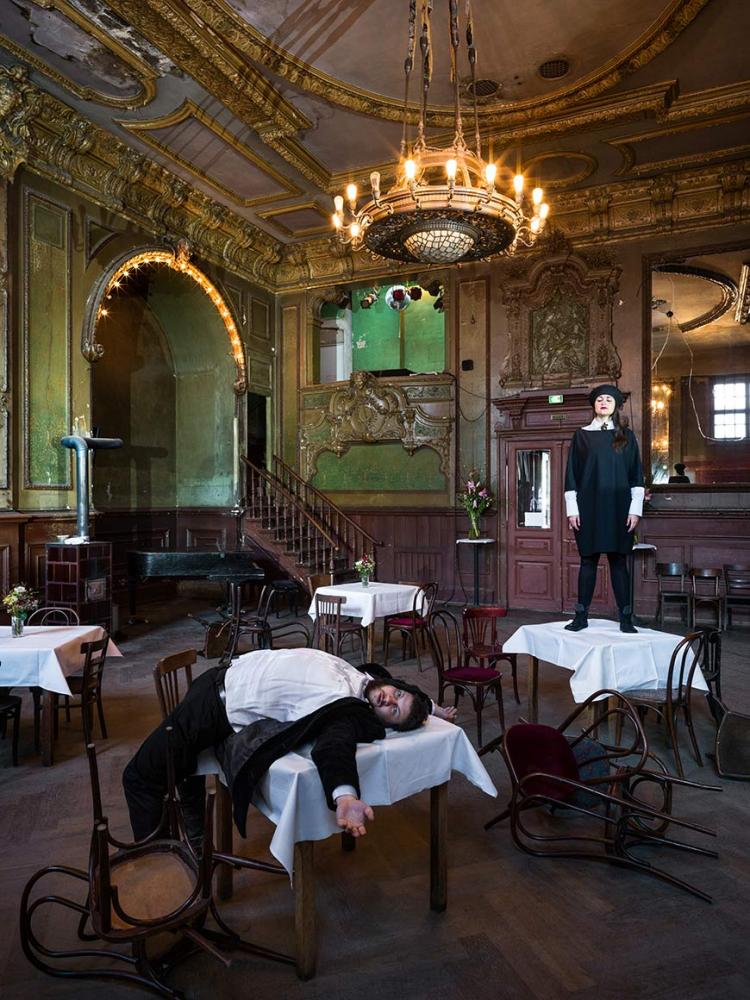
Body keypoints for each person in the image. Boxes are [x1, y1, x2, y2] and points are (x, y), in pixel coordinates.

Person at [123, 648, 457, 843]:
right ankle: (193, 851)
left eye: (393, 711)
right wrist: (430, 705)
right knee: (183, 767)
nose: (389, 699)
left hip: (214, 706)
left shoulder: (348, 710)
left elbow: (333, 747)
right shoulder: (365, 678)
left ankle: (162, 872)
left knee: (139, 778)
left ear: (383, 722)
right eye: (397, 694)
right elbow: (395, 685)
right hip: (215, 678)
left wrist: (346, 796)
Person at [564, 384, 644, 633]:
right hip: (588, 508)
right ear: (594, 405)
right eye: (599, 399)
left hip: (620, 508)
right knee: (588, 561)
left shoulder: (627, 436)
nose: (603, 402)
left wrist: (635, 510)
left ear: (616, 405)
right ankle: (581, 616)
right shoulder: (581, 435)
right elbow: (572, 476)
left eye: (609, 399)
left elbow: (636, 476)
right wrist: (572, 510)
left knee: (619, 562)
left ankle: (626, 618)